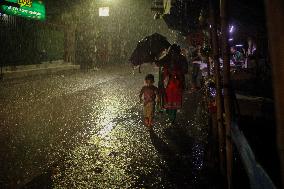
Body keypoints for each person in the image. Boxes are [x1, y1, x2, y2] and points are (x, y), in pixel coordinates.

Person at [156, 44, 187, 124]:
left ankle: (171, 117)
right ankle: (172, 117)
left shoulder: (169, 57)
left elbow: (158, 63)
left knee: (170, 99)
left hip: (172, 82)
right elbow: (185, 70)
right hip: (172, 82)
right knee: (171, 100)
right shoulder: (180, 58)